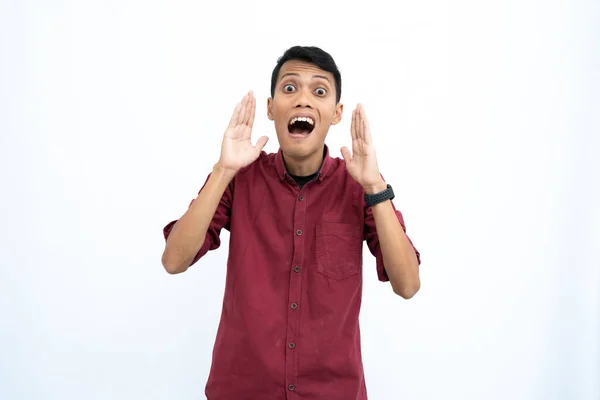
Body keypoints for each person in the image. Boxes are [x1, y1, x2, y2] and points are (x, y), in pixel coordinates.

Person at [161, 45, 421, 400]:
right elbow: (174, 260)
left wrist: (375, 187)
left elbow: (407, 285)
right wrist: (223, 170)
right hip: (242, 390)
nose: (303, 100)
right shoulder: (240, 177)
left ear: (336, 113)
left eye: (319, 91)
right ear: (271, 108)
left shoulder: (360, 186)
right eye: (289, 88)